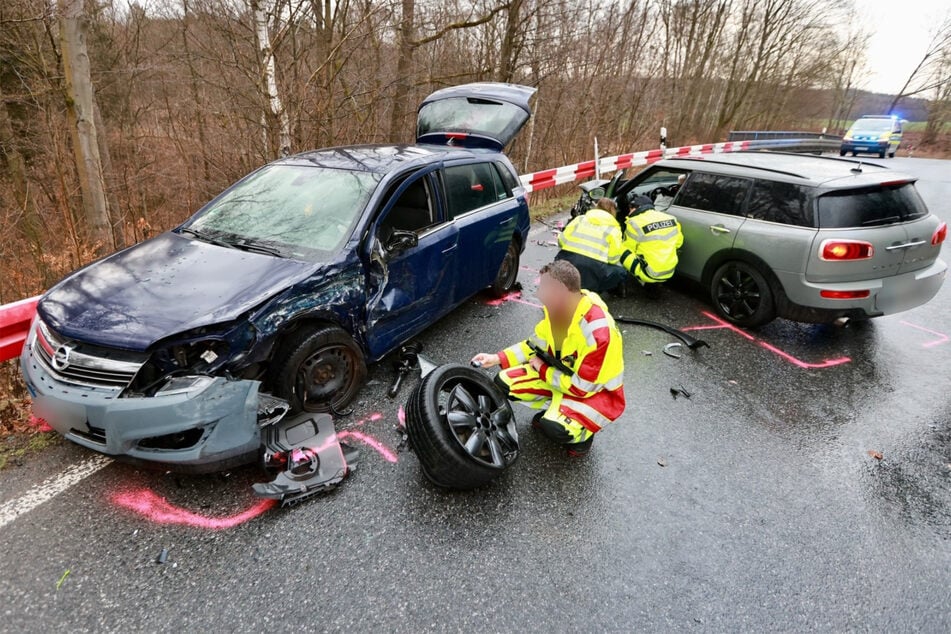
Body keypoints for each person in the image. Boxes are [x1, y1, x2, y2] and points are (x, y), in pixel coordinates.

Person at [471, 260, 625, 457]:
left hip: (596, 394)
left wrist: (541, 369)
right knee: (504, 381)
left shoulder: (598, 334)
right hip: (562, 375)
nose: (538, 294)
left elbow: (580, 388)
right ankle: (554, 410)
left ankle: (582, 436)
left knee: (555, 428)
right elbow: (533, 345)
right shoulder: (560, 310)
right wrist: (496, 358)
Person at [555, 197, 628, 293]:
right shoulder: (614, 229)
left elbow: (561, 241)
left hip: (567, 264)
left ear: (597, 207)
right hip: (592, 273)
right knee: (621, 272)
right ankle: (601, 290)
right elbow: (613, 259)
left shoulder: (580, 219)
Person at [619, 195, 684, 291]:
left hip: (650, 273)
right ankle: (654, 284)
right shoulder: (671, 219)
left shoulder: (634, 223)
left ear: (636, 207)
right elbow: (679, 243)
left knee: (621, 250)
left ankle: (638, 282)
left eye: (630, 208)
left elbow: (629, 248)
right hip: (669, 271)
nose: (629, 211)